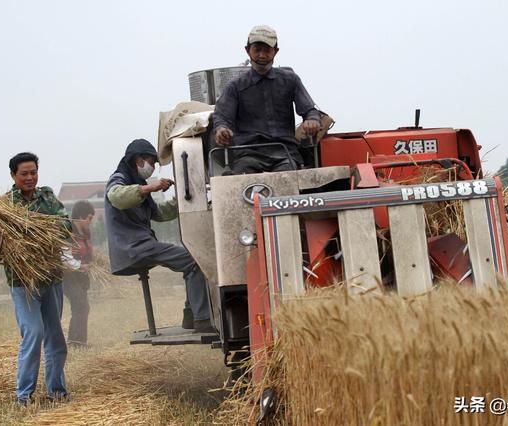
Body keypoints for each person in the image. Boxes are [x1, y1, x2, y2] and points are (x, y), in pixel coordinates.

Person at [0, 152, 69, 405]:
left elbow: (65, 227)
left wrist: (39, 230)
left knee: (55, 337)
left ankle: (57, 392)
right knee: (33, 333)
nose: (30, 177)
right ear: (13, 176)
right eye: (24, 174)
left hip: (51, 278)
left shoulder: (48, 196)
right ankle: (24, 396)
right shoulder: (3, 206)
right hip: (23, 283)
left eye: (33, 172)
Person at [104, 139, 213, 333]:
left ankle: (191, 316)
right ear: (138, 160)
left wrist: (183, 198)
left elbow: (159, 213)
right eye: (151, 162)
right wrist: (151, 188)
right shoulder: (119, 178)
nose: (152, 168)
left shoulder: (137, 182)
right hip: (133, 247)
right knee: (195, 262)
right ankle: (202, 319)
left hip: (141, 245)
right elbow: (116, 197)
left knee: (192, 260)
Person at [213, 25, 321, 174]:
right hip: (248, 154)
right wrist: (221, 129)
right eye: (257, 50)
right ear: (247, 50)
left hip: (285, 153)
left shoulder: (291, 80)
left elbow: (310, 110)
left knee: (287, 178)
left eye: (267, 50)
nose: (262, 55)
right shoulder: (235, 86)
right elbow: (221, 117)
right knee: (238, 180)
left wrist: (312, 120)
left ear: (276, 51)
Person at [63, 200, 95, 348]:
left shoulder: (86, 232)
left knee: (82, 307)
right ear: (81, 217)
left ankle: (80, 342)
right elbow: (63, 256)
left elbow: (88, 252)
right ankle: (75, 343)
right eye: (89, 218)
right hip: (69, 277)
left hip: (82, 277)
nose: (90, 221)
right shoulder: (68, 231)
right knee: (81, 306)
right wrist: (79, 266)